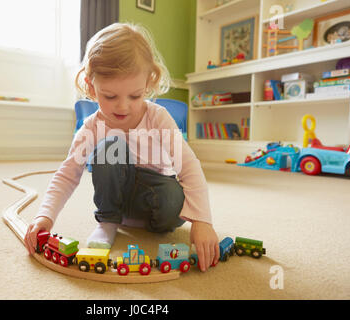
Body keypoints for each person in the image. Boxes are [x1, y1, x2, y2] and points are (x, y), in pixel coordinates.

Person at [24, 23, 219, 271]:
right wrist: (45, 215)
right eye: (110, 96)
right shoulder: (92, 127)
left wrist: (203, 221)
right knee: (110, 146)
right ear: (91, 86)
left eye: (135, 96)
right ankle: (108, 221)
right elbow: (68, 172)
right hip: (116, 197)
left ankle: (148, 222)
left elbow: (189, 165)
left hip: (155, 197)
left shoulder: (158, 117)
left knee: (175, 197)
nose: (123, 107)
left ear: (149, 83)